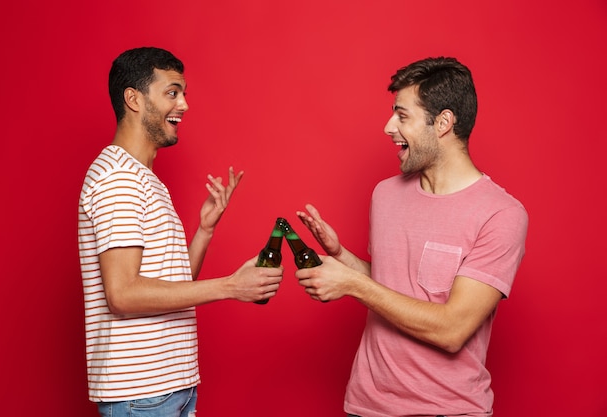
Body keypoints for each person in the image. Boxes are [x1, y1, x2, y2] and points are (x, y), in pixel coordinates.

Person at [295, 57, 528, 417]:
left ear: (444, 123)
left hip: (446, 410)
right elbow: (395, 286)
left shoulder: (501, 214)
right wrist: (342, 257)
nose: (389, 127)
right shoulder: (385, 195)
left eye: (403, 116)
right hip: (365, 406)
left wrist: (352, 285)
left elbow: (452, 329)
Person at [77, 46, 283, 417]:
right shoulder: (119, 179)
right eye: (172, 92)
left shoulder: (144, 179)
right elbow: (123, 294)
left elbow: (172, 286)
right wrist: (231, 286)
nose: (184, 104)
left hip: (169, 387)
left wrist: (204, 231)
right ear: (133, 99)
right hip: (142, 394)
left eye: (183, 93)